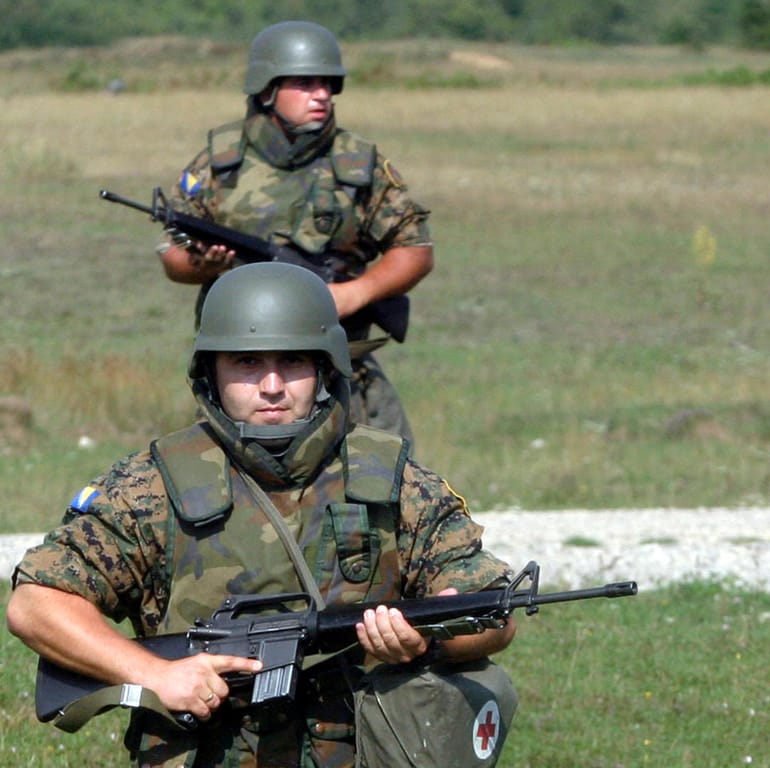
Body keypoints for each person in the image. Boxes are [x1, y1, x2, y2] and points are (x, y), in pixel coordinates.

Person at [7, 262, 517, 767]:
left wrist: (428, 640)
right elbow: (36, 603)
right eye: (247, 363)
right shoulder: (153, 486)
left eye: (293, 360)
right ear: (212, 371)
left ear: (325, 368)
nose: (272, 385)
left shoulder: (392, 480)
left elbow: (493, 614)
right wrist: (155, 673)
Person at [156, 20, 432, 449]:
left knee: (383, 486)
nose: (321, 94)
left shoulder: (359, 164)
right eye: (304, 83)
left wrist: (355, 294)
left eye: (327, 84)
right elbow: (173, 257)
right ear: (266, 89)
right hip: (243, 379)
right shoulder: (219, 162)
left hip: (341, 366)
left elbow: (414, 249)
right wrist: (202, 264)